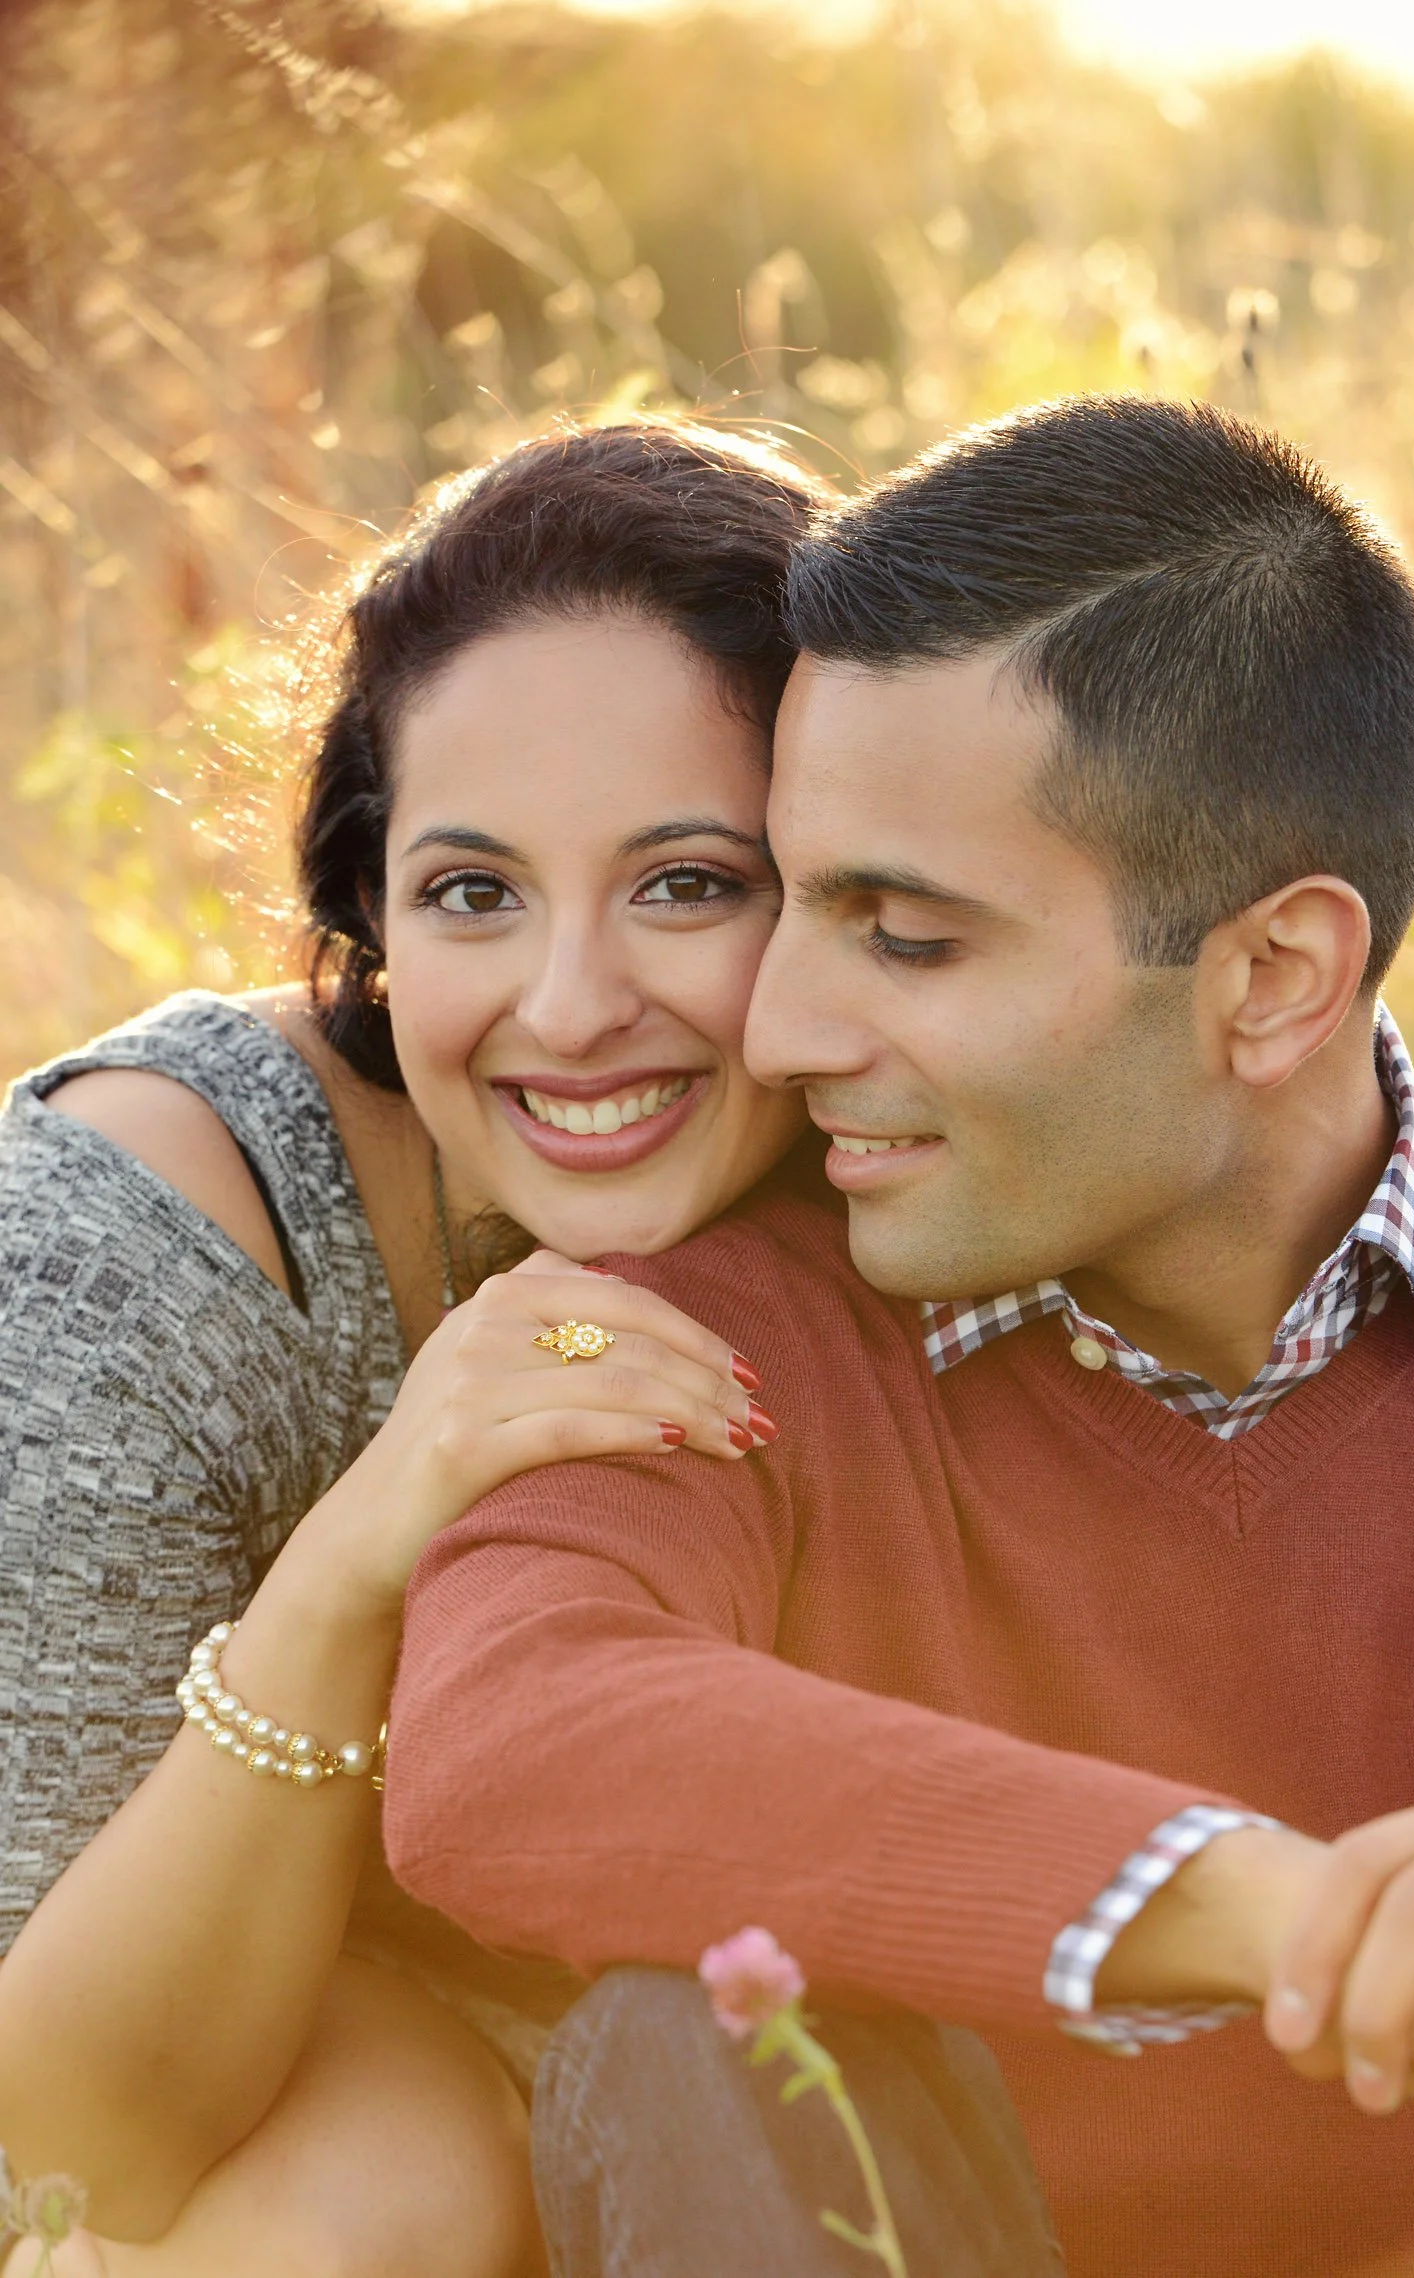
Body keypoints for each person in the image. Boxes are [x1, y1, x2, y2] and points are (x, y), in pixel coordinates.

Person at [386, 398, 1414, 2278]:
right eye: (788, 898)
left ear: (1271, 978)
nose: (777, 1033)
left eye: (904, 937)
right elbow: (512, 1732)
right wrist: (1289, 1909)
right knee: (696, 2042)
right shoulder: (710, 1338)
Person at [0, 417, 829, 2276]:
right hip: (162, 2120)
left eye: (688, 879)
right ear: (369, 916)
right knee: (396, 2168)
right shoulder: (123, 1250)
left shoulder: (924, 1136)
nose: (571, 1007)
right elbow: (59, 2151)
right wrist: (361, 1548)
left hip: (654, 2056)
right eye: (475, 893)